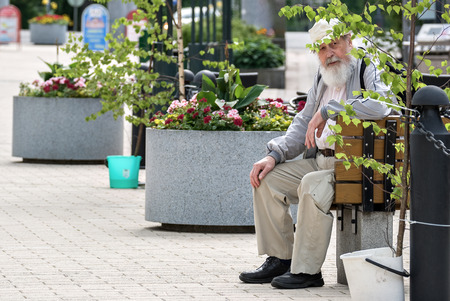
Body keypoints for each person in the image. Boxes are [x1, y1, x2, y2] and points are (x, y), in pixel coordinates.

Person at [239, 19, 397, 289]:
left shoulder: (367, 65)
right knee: (267, 179)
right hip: (321, 160)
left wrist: (330, 110)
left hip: (353, 165)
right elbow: (303, 122)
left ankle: (307, 271)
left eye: (334, 44)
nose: (329, 53)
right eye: (322, 49)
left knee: (311, 185)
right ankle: (281, 259)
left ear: (348, 41)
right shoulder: (322, 77)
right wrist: (274, 155)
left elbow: (382, 105)